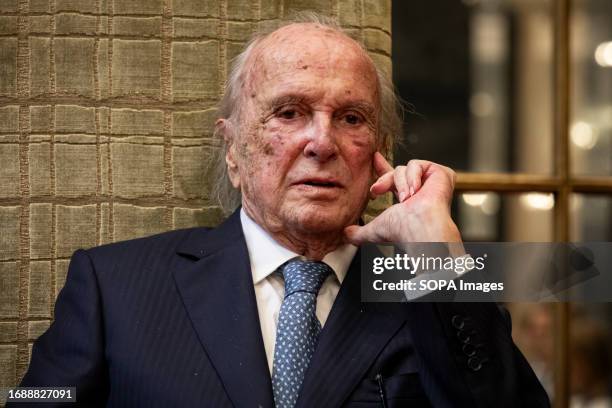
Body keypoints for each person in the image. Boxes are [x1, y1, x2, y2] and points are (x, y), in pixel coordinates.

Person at [13, 15, 550, 408]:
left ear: (380, 151)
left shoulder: (437, 289)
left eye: (351, 118)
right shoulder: (115, 286)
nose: (322, 141)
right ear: (233, 151)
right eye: (289, 112)